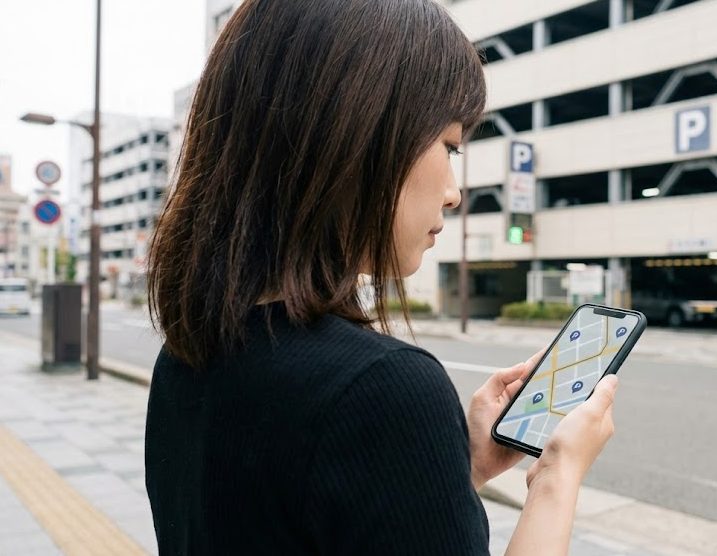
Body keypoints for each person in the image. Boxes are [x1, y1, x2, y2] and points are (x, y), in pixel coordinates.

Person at [144, 0, 619, 554]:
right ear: (358, 132)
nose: (454, 191)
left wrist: (448, 468)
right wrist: (556, 476)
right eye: (448, 146)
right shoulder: (383, 387)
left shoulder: (187, 354)